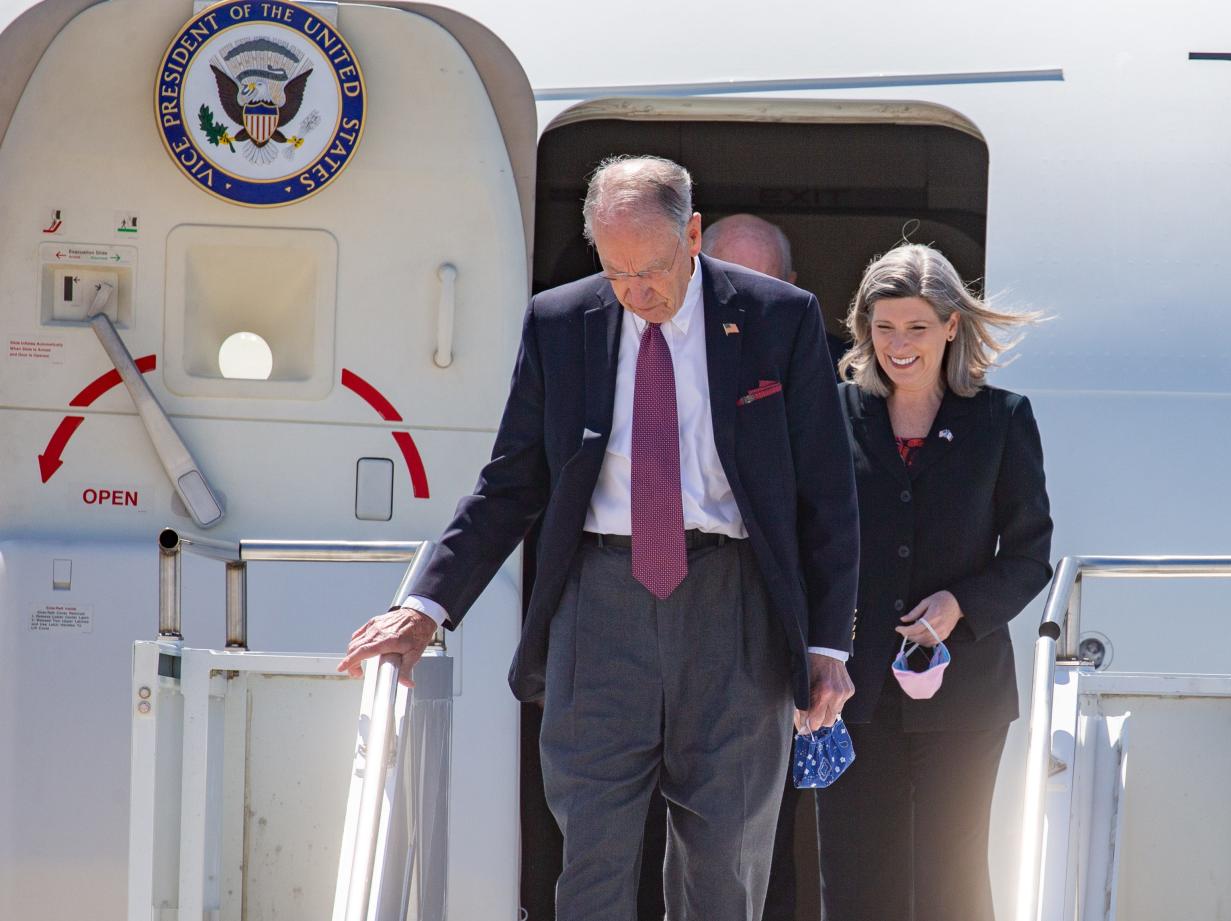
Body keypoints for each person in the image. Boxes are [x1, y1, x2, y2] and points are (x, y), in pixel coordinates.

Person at [339, 155, 861, 921]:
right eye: (616, 273)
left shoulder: (777, 316)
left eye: (650, 270)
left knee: (724, 874)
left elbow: (828, 493)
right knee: (590, 866)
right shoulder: (560, 321)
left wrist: (828, 646)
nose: (635, 293)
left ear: (693, 232)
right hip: (598, 607)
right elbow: (510, 483)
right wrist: (428, 607)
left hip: (735, 608)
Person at [817, 243, 1053, 921]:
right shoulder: (830, 415)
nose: (899, 344)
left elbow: (1031, 553)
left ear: (951, 326)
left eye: (917, 327)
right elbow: (808, 542)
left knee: (952, 882)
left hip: (965, 693)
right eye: (884, 326)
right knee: (859, 881)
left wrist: (960, 604)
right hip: (851, 691)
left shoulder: (1003, 419)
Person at [703, 214, 848, 373]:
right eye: (732, 288)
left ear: (790, 288)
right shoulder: (677, 352)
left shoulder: (838, 366)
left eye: (764, 291)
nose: (747, 307)